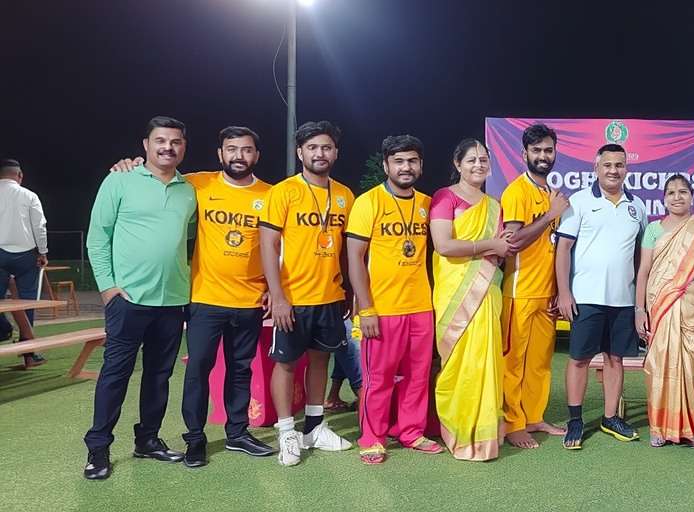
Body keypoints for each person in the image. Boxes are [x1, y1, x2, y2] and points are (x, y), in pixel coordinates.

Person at [107, 126, 280, 467]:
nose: (238, 156)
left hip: (250, 300)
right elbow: (159, 174)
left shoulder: (271, 194)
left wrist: (275, 290)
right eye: (231, 149)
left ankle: (238, 433)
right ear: (220, 154)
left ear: (257, 156)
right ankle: (195, 439)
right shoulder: (198, 184)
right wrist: (127, 165)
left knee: (240, 370)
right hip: (204, 298)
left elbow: (280, 246)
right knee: (199, 369)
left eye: (246, 150)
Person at [83, 116, 197, 480]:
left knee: (159, 376)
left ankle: (147, 440)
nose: (168, 147)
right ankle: (98, 449)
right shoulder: (119, 179)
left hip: (173, 300)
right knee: (115, 375)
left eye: (176, 141)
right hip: (127, 300)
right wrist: (108, 289)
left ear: (183, 147)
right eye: (160, 140)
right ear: (145, 145)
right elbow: (97, 237)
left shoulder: (190, 190)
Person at [258, 120, 354, 466]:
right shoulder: (283, 191)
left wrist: (348, 290)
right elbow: (267, 244)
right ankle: (287, 432)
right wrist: (278, 295)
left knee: (320, 360)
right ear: (300, 152)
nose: (320, 153)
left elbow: (346, 249)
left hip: (329, 296)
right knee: (285, 363)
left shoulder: (344, 195)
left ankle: (314, 427)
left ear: (335, 153)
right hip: (293, 298)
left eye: (326, 147)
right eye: (312, 147)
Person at [345, 135, 443, 464]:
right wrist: (366, 307)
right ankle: (372, 436)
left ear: (421, 166)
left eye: (412, 161)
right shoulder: (368, 202)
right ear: (386, 164)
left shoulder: (429, 203)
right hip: (382, 309)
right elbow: (355, 259)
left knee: (418, 375)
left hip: (421, 307)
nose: (406, 167)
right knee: (379, 377)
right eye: (399, 161)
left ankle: (411, 431)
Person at [556, 143, 648, 450]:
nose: (613, 170)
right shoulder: (579, 202)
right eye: (607, 165)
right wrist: (564, 292)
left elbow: (640, 257)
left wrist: (639, 301)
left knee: (615, 358)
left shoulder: (638, 207)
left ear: (626, 169)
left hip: (622, 300)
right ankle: (575, 420)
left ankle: (610, 417)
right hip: (585, 297)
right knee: (579, 359)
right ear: (596, 168)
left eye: (619, 165)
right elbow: (564, 249)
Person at [430, 139, 515, 461]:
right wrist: (489, 243)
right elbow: (444, 246)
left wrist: (499, 244)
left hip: (488, 290)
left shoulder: (494, 205)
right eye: (471, 160)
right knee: (459, 363)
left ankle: (485, 434)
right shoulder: (445, 197)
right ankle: (460, 431)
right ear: (457, 164)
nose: (478, 165)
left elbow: (503, 246)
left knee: (487, 360)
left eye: (483, 159)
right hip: (456, 292)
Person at [634, 175, 694, 448]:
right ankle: (659, 427)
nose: (677, 197)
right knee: (659, 364)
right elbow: (644, 272)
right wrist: (639, 309)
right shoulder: (653, 230)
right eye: (671, 192)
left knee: (691, 365)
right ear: (663, 199)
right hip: (660, 305)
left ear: (692, 197)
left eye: (683, 192)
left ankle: (691, 427)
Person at [499, 123, 570, 449]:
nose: (543, 156)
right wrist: (549, 215)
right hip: (519, 292)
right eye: (537, 150)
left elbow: (554, 246)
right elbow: (512, 242)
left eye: (548, 150)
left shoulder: (549, 193)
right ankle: (513, 424)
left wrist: (557, 288)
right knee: (514, 362)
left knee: (541, 363)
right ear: (524, 153)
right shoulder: (516, 191)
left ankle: (534, 416)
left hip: (546, 293)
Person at [0, 158, 48, 368]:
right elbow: (39, 226)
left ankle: (4, 329)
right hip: (25, 255)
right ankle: (29, 353)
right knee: (27, 302)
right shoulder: (29, 195)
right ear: (19, 175)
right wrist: (43, 251)